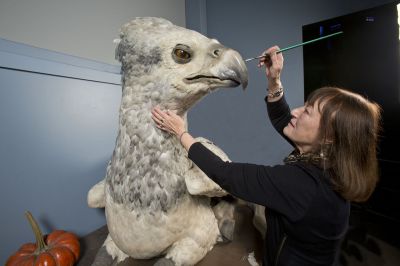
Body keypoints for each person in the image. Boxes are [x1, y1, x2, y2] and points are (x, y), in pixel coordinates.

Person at [151, 46, 381, 265]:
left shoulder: (304, 186)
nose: (295, 111)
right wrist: (274, 80)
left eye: (308, 111)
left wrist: (180, 133)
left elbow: (225, 173)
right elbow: (283, 120)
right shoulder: (330, 156)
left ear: (329, 137)